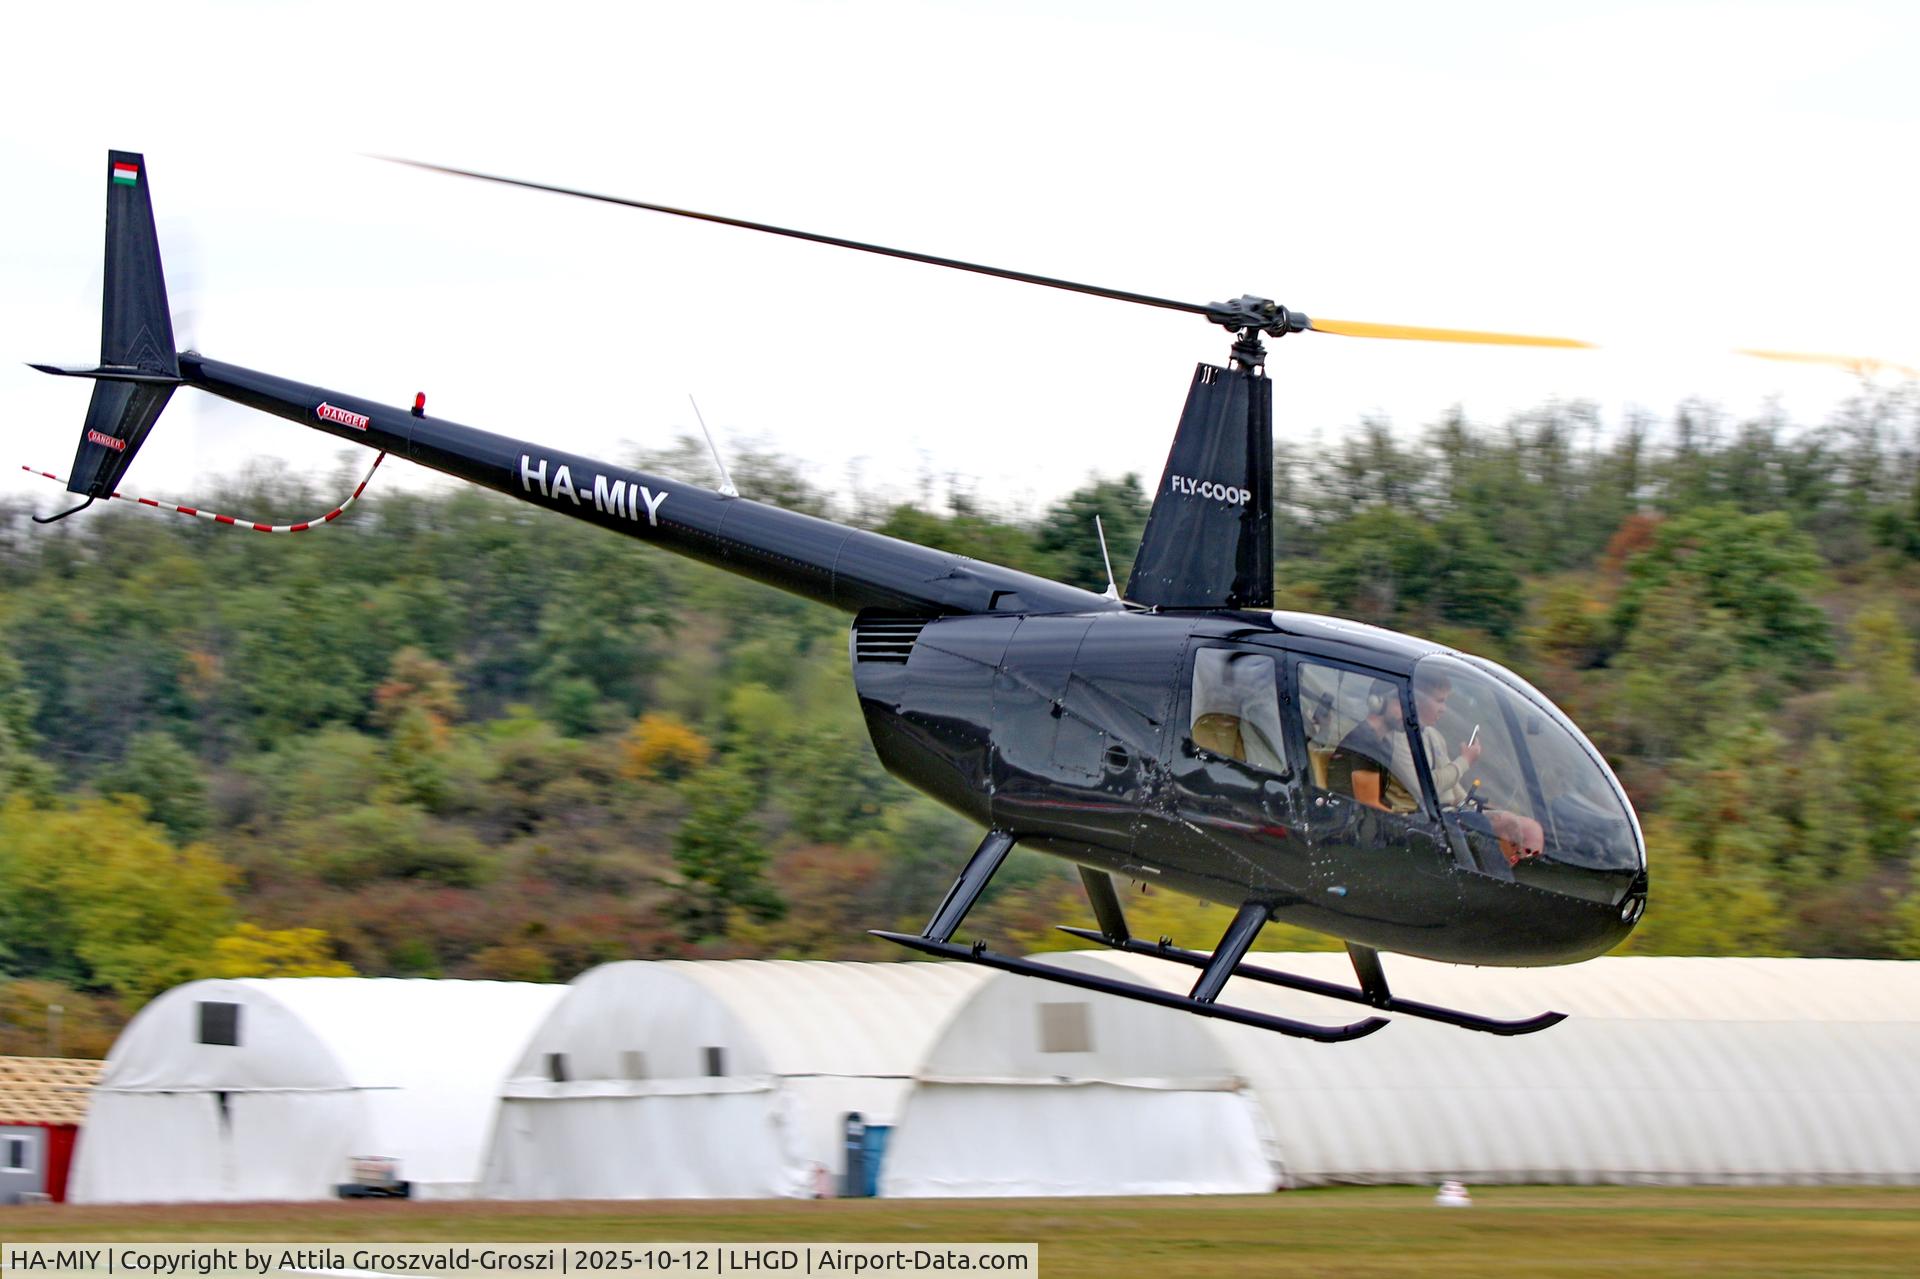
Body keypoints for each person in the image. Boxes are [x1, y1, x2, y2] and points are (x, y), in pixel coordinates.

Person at [1325, 679, 1419, 815]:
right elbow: (1369, 805)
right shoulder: (1364, 742)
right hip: (1350, 818)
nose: (1408, 712)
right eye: (1400, 703)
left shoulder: (1383, 742)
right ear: (1377, 703)